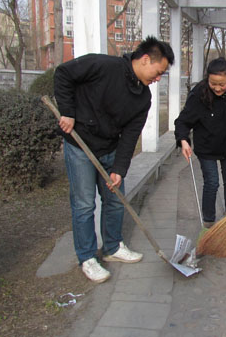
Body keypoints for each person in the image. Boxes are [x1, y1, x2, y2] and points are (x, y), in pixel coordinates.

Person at [54, 36, 174, 283]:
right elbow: (63, 73)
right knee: (84, 204)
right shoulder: (103, 66)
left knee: (116, 200)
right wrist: (67, 111)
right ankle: (87, 257)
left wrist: (119, 168)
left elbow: (130, 135)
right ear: (145, 59)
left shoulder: (143, 98)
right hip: (80, 145)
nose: (158, 78)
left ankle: (113, 247)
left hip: (109, 148)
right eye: (158, 72)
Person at [174, 57, 226, 228]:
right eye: (213, 84)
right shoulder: (199, 94)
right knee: (212, 183)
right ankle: (208, 222)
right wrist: (183, 140)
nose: (218, 88)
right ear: (207, 79)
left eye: (222, 84)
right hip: (206, 146)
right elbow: (182, 121)